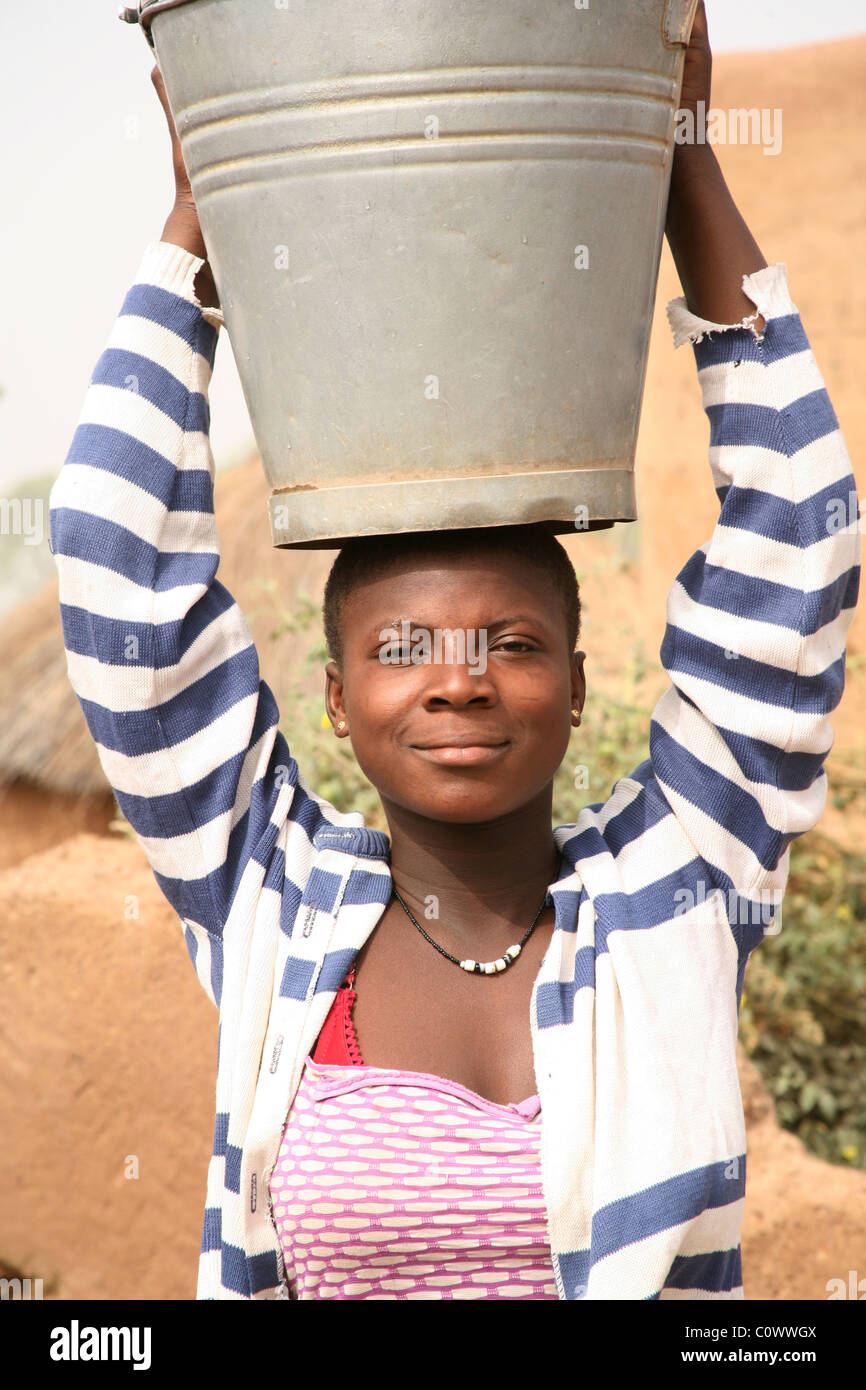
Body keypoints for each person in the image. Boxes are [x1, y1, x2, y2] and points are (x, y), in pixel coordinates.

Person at [49, 3, 859, 1300]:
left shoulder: (677, 888)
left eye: (511, 641)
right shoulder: (269, 901)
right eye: (402, 646)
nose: (458, 675)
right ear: (336, 693)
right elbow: (111, 562)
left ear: (579, 682)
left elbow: (798, 549)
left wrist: (681, 158)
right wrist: (203, 215)